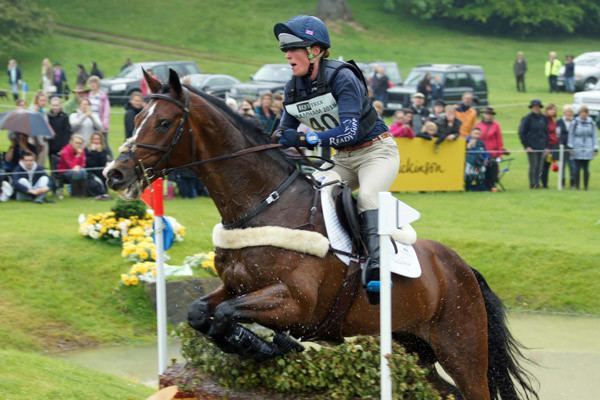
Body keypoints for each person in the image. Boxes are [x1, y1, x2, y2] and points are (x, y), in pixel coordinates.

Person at [273, 15, 399, 303]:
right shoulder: (293, 87)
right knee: (311, 196)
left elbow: (349, 130)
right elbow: (283, 130)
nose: (288, 56)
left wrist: (306, 139)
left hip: (376, 152)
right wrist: (283, 136)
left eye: (294, 49)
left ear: (315, 51)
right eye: (285, 51)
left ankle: (378, 266)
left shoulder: (342, 76)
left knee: (368, 196)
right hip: (342, 159)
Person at [519, 99, 548, 189]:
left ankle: (537, 183)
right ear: (531, 107)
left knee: (540, 167)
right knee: (533, 165)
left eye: (537, 106)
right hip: (531, 146)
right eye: (534, 106)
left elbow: (546, 133)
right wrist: (526, 146)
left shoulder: (544, 118)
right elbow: (522, 132)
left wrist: (546, 146)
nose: (536, 108)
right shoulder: (527, 118)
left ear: (540, 107)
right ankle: (532, 184)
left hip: (542, 146)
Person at [568, 106, 598, 190]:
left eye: (585, 113)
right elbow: (571, 135)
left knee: (586, 168)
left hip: (588, 148)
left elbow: (594, 136)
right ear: (580, 113)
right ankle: (577, 186)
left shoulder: (591, 123)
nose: (584, 115)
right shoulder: (575, 122)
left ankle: (585, 187)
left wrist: (595, 147)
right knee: (577, 168)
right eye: (582, 113)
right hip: (577, 147)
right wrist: (571, 147)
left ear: (587, 114)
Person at [475, 107, 504, 190]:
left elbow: (499, 140)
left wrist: (500, 153)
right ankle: (483, 184)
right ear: (483, 114)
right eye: (487, 114)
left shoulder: (496, 125)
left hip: (493, 153)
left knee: (493, 167)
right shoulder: (478, 125)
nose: (488, 116)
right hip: (481, 152)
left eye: (490, 114)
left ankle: (492, 185)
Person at [85, 132, 111, 198]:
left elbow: (102, 163)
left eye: (98, 139)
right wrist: (93, 152)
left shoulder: (104, 150)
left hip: (100, 171)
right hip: (90, 172)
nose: (96, 141)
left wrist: (99, 152)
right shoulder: (87, 150)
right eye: (94, 139)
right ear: (91, 140)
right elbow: (90, 164)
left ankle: (102, 192)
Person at [556, 105, 576, 188]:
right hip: (562, 147)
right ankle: (562, 183)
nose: (568, 113)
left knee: (572, 166)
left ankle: (573, 183)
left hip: (572, 147)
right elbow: (557, 134)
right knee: (562, 166)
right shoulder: (559, 122)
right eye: (566, 112)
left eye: (570, 112)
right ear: (564, 112)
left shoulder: (575, 122)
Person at [29, 91, 50, 166]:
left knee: (41, 164)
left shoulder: (43, 111)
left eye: (45, 100)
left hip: (43, 141)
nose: (43, 102)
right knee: (35, 163)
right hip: (35, 142)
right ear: (37, 100)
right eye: (41, 100)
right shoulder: (33, 110)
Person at [540, 103, 559, 189]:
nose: (553, 111)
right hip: (547, 145)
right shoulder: (544, 120)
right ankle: (543, 183)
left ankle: (545, 183)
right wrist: (546, 146)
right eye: (551, 109)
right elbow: (544, 133)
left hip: (553, 145)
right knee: (544, 165)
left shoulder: (553, 120)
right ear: (547, 110)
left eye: (554, 109)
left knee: (548, 164)